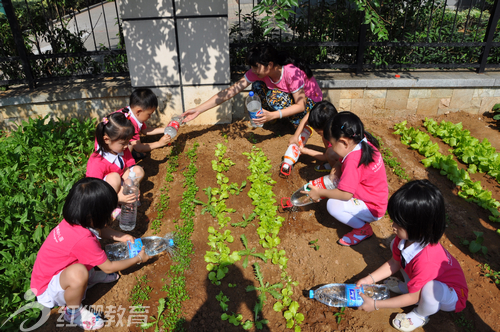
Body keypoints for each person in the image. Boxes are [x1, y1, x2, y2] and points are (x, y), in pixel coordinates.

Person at [30, 178, 151, 330]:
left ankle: (90, 277)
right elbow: (109, 267)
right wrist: (138, 258)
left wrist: (123, 236)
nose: (111, 216)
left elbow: (99, 230)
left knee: (87, 256)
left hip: (54, 274)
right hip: (47, 290)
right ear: (93, 216)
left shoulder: (76, 220)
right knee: (79, 273)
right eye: (108, 213)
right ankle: (73, 312)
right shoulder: (82, 239)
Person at [356, 180, 468, 332]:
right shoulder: (405, 238)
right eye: (394, 220)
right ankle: (408, 287)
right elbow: (395, 263)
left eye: (398, 224)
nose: (392, 226)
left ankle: (420, 314)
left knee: (429, 290)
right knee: (397, 250)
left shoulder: (427, 260)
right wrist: (368, 279)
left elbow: (414, 298)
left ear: (420, 228)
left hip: (450, 293)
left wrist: (375, 305)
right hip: (426, 276)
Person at [181, 42, 323, 127]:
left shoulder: (291, 72)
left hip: (311, 107)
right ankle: (276, 117)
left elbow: (301, 105)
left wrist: (273, 115)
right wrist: (199, 110)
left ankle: (299, 125)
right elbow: (231, 91)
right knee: (256, 88)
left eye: (256, 66)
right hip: (288, 100)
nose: (253, 70)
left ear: (270, 64)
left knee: (275, 97)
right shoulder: (259, 72)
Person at [304, 111, 388, 246]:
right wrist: (336, 167)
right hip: (377, 196)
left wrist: (319, 193)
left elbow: (345, 194)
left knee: (333, 205)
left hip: (372, 208)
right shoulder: (361, 140)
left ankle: (363, 229)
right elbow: (342, 160)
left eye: (332, 144)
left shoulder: (353, 161)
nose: (333, 149)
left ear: (343, 142)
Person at [86, 111, 145, 217]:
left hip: (120, 185)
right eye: (123, 143)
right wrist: (118, 196)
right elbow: (94, 189)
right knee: (114, 177)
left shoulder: (122, 150)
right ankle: (113, 205)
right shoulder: (97, 161)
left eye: (128, 142)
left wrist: (131, 187)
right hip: (105, 192)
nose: (127, 146)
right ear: (106, 140)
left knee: (138, 170)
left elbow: (127, 168)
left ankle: (128, 197)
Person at [124, 88, 172, 160]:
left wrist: (166, 129)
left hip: (113, 146)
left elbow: (145, 130)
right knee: (130, 144)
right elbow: (139, 147)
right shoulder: (131, 124)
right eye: (149, 114)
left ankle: (128, 155)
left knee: (129, 142)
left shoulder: (130, 112)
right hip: (108, 153)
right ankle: (125, 164)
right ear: (139, 111)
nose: (150, 117)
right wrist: (159, 143)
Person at [292, 100, 338, 172]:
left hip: (350, 163)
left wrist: (306, 151)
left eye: (319, 133)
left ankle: (336, 169)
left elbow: (326, 156)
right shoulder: (335, 122)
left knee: (330, 154)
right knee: (325, 139)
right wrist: (295, 136)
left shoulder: (336, 139)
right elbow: (308, 116)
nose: (318, 134)